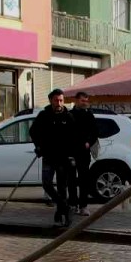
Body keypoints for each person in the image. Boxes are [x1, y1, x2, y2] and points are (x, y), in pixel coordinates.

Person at [29, 88, 78, 227]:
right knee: (47, 184)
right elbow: (33, 131)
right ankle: (65, 207)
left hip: (63, 158)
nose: (59, 103)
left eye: (61, 100)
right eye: (56, 100)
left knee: (62, 188)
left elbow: (75, 138)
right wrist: (38, 146)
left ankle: (61, 216)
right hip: (48, 157)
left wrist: (72, 155)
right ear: (51, 100)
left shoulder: (68, 117)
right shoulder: (44, 115)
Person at [69, 91, 98, 216]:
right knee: (70, 180)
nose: (85, 103)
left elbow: (95, 132)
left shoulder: (89, 115)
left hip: (84, 152)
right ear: (76, 100)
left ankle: (83, 206)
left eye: (86, 101)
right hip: (71, 152)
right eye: (82, 100)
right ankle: (73, 204)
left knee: (83, 180)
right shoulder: (70, 115)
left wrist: (89, 143)